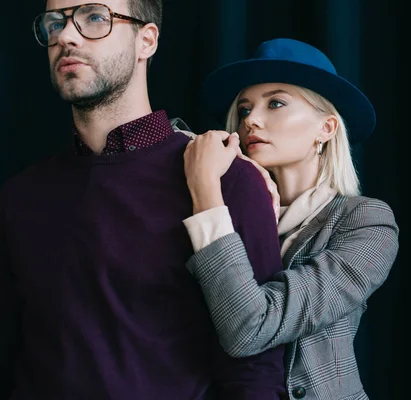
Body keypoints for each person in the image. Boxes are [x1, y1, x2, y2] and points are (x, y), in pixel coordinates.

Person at [0, 1, 286, 399]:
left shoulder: (228, 181)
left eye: (94, 18)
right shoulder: (19, 197)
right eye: (55, 23)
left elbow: (254, 372)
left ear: (146, 40)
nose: (65, 36)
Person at [182, 38, 400, 400]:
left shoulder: (366, 222)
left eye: (276, 103)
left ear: (326, 129)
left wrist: (204, 190)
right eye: (245, 108)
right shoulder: (230, 212)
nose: (251, 119)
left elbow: (249, 328)